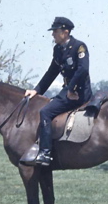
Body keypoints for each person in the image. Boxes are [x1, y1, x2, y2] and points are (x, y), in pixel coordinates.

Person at [20, 17, 93, 166]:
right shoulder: (58, 50)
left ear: (65, 32)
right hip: (67, 91)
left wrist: (71, 90)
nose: (53, 34)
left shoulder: (79, 47)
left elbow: (82, 70)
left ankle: (45, 153)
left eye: (55, 31)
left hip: (79, 93)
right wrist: (37, 90)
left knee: (45, 112)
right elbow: (51, 73)